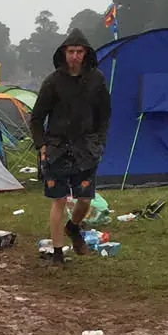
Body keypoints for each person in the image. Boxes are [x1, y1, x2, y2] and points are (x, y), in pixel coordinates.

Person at [29, 28, 111, 264]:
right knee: (60, 200)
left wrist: (100, 141)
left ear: (85, 53)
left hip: (86, 148)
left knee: (84, 199)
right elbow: (36, 118)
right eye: (71, 51)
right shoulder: (53, 82)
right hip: (57, 148)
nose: (75, 56)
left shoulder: (96, 80)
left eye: (79, 51)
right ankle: (57, 252)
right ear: (64, 53)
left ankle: (73, 228)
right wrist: (41, 145)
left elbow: (104, 114)